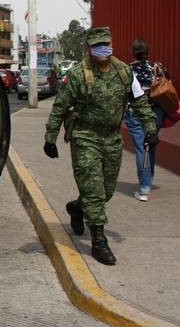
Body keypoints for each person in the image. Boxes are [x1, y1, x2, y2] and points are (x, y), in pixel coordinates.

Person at [43, 27, 158, 265]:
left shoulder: (124, 72)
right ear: (89, 49)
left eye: (105, 44)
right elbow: (60, 106)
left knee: (105, 191)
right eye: (97, 46)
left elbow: (140, 101)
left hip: (112, 138)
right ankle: (98, 240)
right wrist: (50, 137)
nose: (103, 50)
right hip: (85, 137)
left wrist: (151, 128)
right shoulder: (78, 74)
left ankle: (77, 207)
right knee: (94, 191)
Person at [125, 39, 168, 201]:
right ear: (147, 51)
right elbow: (168, 85)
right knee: (151, 144)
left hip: (135, 113)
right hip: (156, 111)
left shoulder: (128, 70)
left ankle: (144, 188)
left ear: (133, 51)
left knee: (140, 148)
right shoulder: (157, 67)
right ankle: (148, 181)